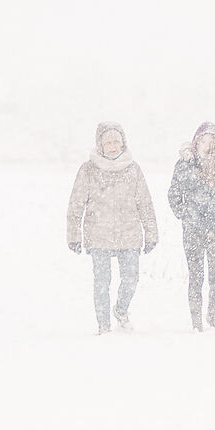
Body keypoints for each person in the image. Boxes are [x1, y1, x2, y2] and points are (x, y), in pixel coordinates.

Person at [66, 122, 159, 334]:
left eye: (116, 141)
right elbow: (76, 203)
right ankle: (104, 326)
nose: (113, 146)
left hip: (129, 234)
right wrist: (74, 235)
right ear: (100, 145)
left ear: (123, 142)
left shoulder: (133, 169)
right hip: (98, 234)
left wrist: (151, 233)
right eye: (108, 142)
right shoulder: (88, 169)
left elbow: (145, 203)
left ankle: (121, 309)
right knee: (102, 282)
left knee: (131, 279)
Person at [167, 121, 215, 331]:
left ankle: (212, 314)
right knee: (196, 276)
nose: (206, 145)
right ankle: (196, 322)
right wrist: (184, 214)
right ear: (196, 141)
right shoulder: (184, 164)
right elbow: (173, 194)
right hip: (193, 230)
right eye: (203, 140)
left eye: (211, 141)